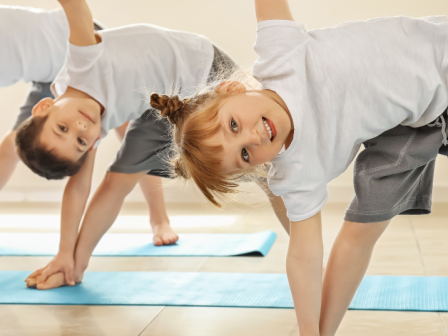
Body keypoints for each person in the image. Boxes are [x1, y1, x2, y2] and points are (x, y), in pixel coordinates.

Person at [148, 1, 448, 335]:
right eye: (245, 155)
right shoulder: (295, 173)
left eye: (233, 125)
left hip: (440, 53)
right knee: (360, 228)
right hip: (413, 123)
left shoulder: (280, 56)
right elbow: (304, 257)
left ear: (230, 89)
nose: (253, 137)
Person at [24, 0, 290, 290]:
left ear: (44, 107)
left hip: (200, 71)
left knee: (268, 174)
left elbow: (76, 10)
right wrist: (65, 256)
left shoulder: (81, 66)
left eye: (62, 128)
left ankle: (308, 255)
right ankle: (74, 269)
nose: (79, 129)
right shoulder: (88, 125)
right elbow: (78, 187)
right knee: (117, 180)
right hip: (159, 104)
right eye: (80, 141)